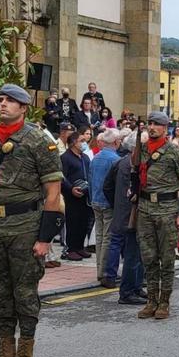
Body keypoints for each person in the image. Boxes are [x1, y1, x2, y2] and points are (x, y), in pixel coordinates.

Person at [0, 84, 64, 357]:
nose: (3, 104)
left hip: (25, 227)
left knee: (24, 293)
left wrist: (44, 238)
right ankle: (5, 355)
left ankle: (25, 355)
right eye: (0, 100)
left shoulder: (40, 141)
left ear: (24, 108)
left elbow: (53, 193)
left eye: (10, 101)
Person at [133, 111, 179, 320]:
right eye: (149, 123)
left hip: (167, 209)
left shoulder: (175, 151)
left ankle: (164, 302)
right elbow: (136, 173)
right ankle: (151, 300)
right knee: (148, 257)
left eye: (156, 124)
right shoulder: (141, 149)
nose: (152, 127)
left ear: (165, 127)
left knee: (166, 258)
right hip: (145, 208)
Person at [102, 130, 146, 304]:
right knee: (132, 256)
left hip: (124, 213)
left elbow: (107, 187)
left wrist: (117, 205)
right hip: (131, 215)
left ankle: (136, 287)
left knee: (138, 254)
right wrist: (120, 205)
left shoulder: (121, 162)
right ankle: (127, 291)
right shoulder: (130, 166)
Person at [89, 128, 121, 286]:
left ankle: (99, 270)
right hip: (108, 202)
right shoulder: (115, 159)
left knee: (100, 237)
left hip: (95, 200)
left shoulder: (96, 157)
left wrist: (91, 198)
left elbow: (90, 179)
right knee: (107, 238)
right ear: (115, 142)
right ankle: (104, 272)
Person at [61, 128, 92, 261]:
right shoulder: (65, 158)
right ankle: (70, 248)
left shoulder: (85, 157)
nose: (85, 143)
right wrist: (70, 189)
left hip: (85, 194)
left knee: (83, 222)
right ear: (74, 142)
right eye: (82, 141)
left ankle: (79, 247)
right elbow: (61, 177)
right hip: (71, 196)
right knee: (72, 222)